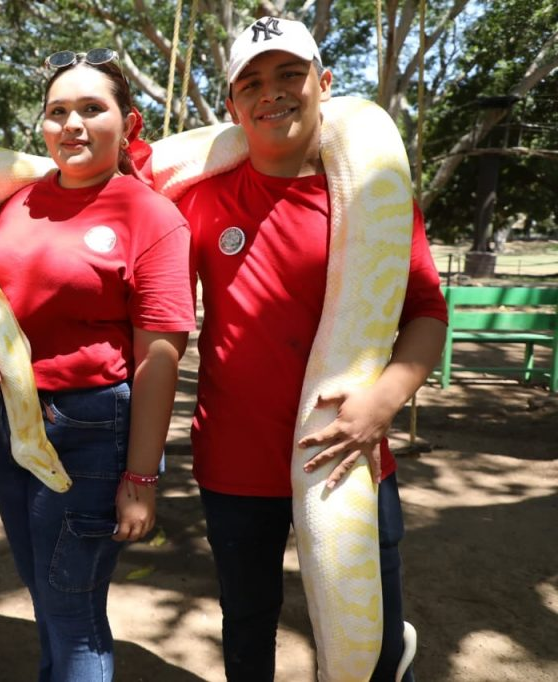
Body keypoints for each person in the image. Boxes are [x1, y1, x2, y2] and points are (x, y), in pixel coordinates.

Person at [176, 17, 448, 682]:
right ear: (233, 106)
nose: (272, 93)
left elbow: (426, 312)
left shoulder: (373, 193)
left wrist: (385, 401)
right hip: (235, 460)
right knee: (246, 625)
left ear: (324, 84)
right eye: (252, 82)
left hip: (352, 451)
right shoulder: (201, 201)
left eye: (289, 74)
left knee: (375, 639)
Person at [0, 49, 196, 681]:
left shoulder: (150, 215)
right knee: (47, 593)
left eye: (92, 108)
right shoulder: (17, 201)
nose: (72, 125)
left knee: (72, 607)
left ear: (128, 122)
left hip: (93, 427)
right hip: (10, 416)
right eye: (57, 112)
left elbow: (160, 355)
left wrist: (141, 477)